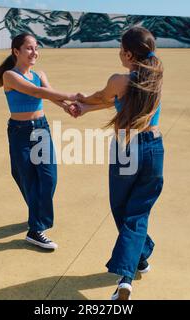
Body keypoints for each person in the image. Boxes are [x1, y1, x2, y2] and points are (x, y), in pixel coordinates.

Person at [75, 27, 165, 300]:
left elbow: (103, 97)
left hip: (126, 149)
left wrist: (80, 100)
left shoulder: (118, 79)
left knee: (124, 212)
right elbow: (116, 104)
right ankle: (140, 257)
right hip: (153, 149)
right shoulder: (155, 76)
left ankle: (125, 279)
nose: (118, 53)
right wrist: (87, 108)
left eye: (119, 48)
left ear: (127, 53)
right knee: (136, 214)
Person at [0, 33, 79, 250]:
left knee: (49, 177)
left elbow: (48, 93)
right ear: (16, 51)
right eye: (29, 48)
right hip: (20, 132)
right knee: (26, 178)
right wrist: (74, 95)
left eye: (36, 48)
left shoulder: (39, 73)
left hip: (41, 129)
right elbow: (36, 92)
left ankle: (36, 219)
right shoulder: (10, 77)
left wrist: (66, 105)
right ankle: (36, 228)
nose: (34, 53)